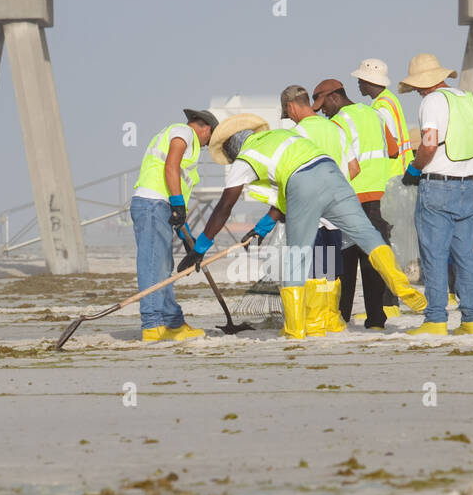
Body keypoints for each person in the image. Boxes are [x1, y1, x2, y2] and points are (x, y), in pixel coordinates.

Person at [177, 118, 426, 340]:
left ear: (233, 148)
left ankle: (295, 329)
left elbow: (225, 206)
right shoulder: (283, 136)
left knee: (297, 256)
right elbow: (285, 195)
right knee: (367, 233)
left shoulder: (245, 159)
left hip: (302, 183)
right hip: (332, 175)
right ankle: (400, 284)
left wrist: (200, 247)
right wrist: (263, 227)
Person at [400, 53, 473, 335]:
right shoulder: (468, 99)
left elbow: (428, 145)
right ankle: (472, 320)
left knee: (434, 255)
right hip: (467, 185)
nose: (416, 90)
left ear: (424, 84)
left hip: (437, 186)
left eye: (417, 86)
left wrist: (414, 170)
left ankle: (436, 320)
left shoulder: (431, 102)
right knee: (466, 255)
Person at [312, 79, 400, 329]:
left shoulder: (338, 123)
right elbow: (392, 152)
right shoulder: (376, 116)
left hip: (350, 199)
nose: (323, 111)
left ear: (335, 97)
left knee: (343, 261)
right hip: (380, 199)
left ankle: (341, 316)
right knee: (374, 260)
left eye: (324, 105)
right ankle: (376, 320)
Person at [130, 108, 218, 343]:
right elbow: (171, 167)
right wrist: (178, 204)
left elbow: (179, 203)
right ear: (206, 128)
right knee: (152, 265)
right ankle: (152, 326)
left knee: (163, 267)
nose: (206, 146)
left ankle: (172, 322)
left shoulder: (189, 145)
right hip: (152, 203)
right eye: (209, 141)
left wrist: (191, 242)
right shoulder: (183, 132)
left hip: (160, 206)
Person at [280, 84, 360, 334]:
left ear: (291, 107)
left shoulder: (296, 134)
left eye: (287, 111)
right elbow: (354, 168)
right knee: (329, 269)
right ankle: (329, 319)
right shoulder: (335, 129)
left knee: (311, 267)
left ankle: (313, 322)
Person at [350, 57, 414, 177]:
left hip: (392, 173)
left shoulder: (382, 106)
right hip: (398, 170)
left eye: (360, 81)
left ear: (367, 81)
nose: (358, 85)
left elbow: (391, 146)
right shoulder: (387, 99)